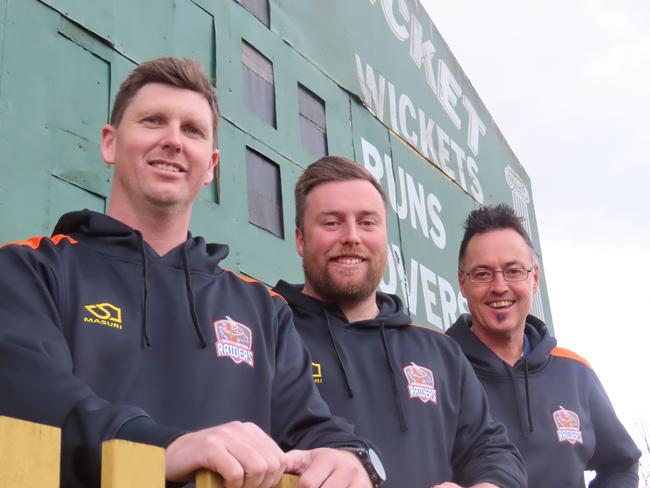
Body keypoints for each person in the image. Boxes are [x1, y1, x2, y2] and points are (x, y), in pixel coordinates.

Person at [0, 57, 377, 488]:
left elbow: (311, 428)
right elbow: (33, 400)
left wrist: (347, 457)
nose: (173, 141)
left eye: (192, 130)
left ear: (211, 166)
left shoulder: (263, 310)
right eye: (153, 121)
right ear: (110, 143)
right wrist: (164, 448)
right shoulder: (30, 269)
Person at [272, 156, 527, 488]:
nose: (352, 237)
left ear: (385, 239)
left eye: (367, 223)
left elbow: (493, 451)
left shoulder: (440, 352)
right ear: (301, 239)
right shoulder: (268, 330)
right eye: (332, 222)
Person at [447, 204, 641, 487]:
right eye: (483, 273)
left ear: (534, 278)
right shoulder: (438, 368)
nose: (499, 286)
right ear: (462, 283)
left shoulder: (574, 372)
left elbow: (621, 465)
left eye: (513, 271)